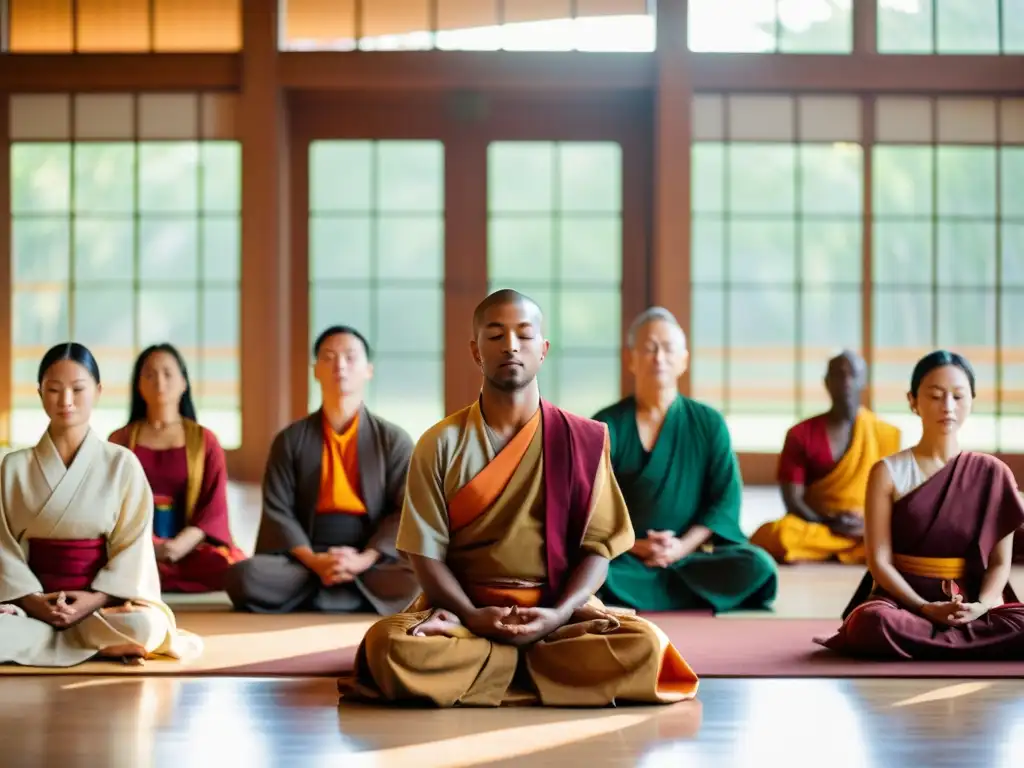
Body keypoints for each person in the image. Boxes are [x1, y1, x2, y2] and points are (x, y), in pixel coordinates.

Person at [342, 290, 698, 708]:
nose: (510, 345)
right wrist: (472, 615)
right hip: (466, 614)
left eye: (524, 335)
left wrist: (561, 612)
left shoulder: (582, 438)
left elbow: (598, 549)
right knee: (390, 646)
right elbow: (424, 554)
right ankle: (543, 670)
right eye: (495, 335)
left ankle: (496, 666)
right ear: (476, 351)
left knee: (645, 645)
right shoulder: (440, 443)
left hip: (556, 615)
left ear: (543, 349)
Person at [0, 343, 202, 667]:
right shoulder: (13, 467)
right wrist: (34, 602)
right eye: (54, 389)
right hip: (32, 606)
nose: (66, 401)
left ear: (97, 391)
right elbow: (4, 550)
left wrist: (94, 600)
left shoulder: (122, 464)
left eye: (78, 389)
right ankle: (98, 646)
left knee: (143, 626)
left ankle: (81, 638)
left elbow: (132, 549)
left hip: (100, 607)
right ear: (40, 393)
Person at [816, 351, 1024, 660]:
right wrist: (924, 607)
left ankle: (934, 640)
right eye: (936, 396)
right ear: (913, 400)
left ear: (971, 400)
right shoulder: (887, 472)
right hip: (903, 603)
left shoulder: (993, 473)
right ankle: (966, 644)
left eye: (958, 396)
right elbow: (880, 562)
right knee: (870, 623)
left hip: (969, 604)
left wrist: (980, 605)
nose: (948, 407)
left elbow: (999, 563)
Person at [592, 307, 778, 613]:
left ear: (684, 360)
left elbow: (723, 501)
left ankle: (644, 593)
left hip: (689, 556)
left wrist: (681, 548)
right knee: (583, 568)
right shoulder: (607, 425)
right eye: (649, 348)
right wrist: (636, 545)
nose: (659, 358)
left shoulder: (707, 423)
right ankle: (684, 594)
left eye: (668, 349)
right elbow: (589, 505)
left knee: (758, 566)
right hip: (625, 556)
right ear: (631, 359)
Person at [225, 326, 419, 615]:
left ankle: (320, 594)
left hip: (371, 555)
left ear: (368, 369)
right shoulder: (291, 439)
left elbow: (404, 509)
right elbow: (280, 512)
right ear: (316, 370)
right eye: (328, 357)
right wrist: (316, 561)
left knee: (421, 577)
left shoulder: (393, 440)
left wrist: (363, 559)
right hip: (307, 555)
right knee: (244, 576)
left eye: (350, 357)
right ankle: (345, 594)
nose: (340, 365)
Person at [109, 344, 246, 593]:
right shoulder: (119, 441)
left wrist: (180, 545)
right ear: (138, 385)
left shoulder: (205, 441)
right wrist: (152, 545)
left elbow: (213, 509)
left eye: (168, 374)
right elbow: (111, 506)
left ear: (184, 383)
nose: (159, 381)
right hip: (136, 545)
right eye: (149, 374)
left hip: (190, 547)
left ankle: (150, 578)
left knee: (227, 566)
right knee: (104, 561)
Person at [750, 351, 902, 565]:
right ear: (827, 382)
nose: (846, 381)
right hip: (819, 525)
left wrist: (867, 525)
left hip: (865, 528)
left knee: (906, 537)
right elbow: (793, 500)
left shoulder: (886, 434)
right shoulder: (801, 434)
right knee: (777, 534)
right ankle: (846, 548)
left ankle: (849, 545)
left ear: (863, 380)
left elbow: (894, 497)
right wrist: (828, 522)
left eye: (853, 374)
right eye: (839, 375)